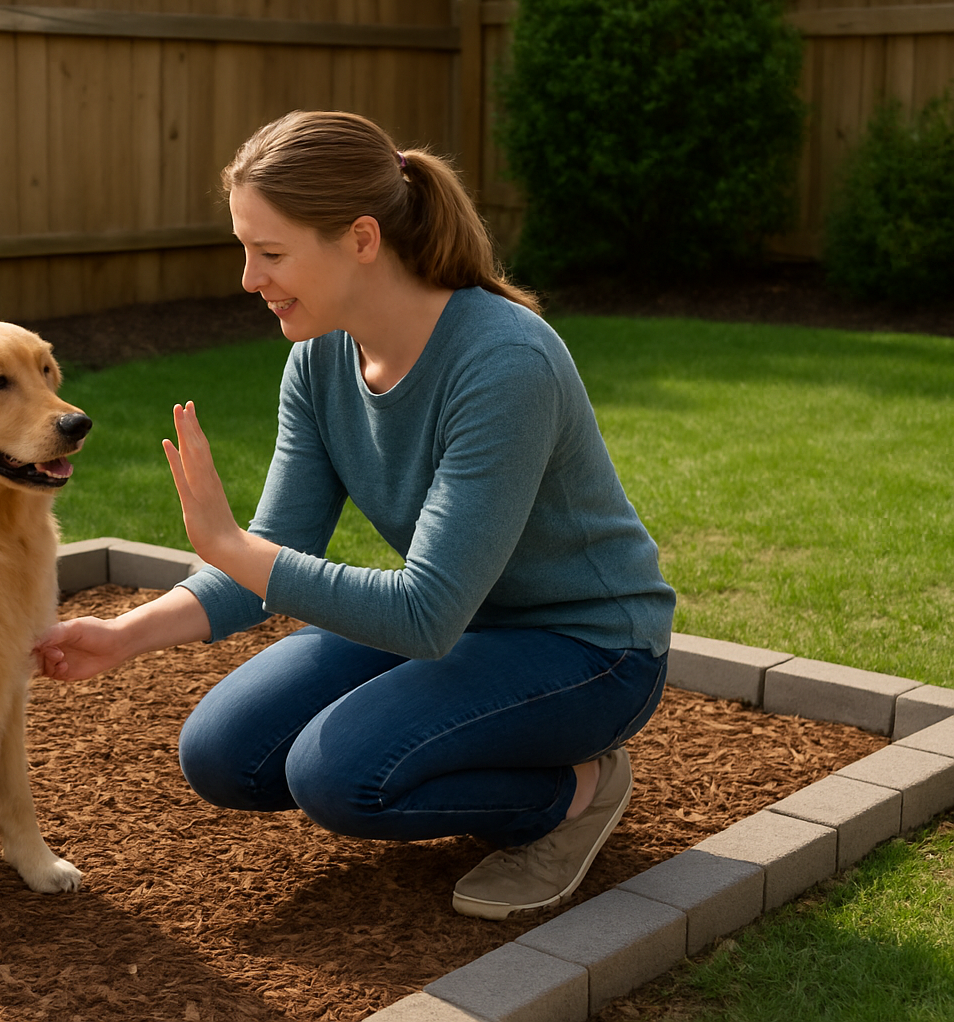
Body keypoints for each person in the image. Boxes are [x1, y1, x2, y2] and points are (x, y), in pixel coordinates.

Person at [34, 110, 675, 920]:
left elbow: (424, 615)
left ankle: (575, 791)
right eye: (245, 250)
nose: (247, 278)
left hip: (588, 649)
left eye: (270, 253)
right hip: (461, 625)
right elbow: (271, 553)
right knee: (223, 753)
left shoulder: (504, 363)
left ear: (362, 239)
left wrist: (235, 548)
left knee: (340, 778)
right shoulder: (319, 360)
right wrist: (124, 635)